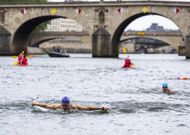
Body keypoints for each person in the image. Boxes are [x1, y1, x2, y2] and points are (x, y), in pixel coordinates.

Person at [32, 96, 110, 112]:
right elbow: (45, 106)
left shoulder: (74, 107)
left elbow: (88, 108)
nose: (64, 107)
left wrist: (100, 108)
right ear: (61, 104)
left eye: (66, 105)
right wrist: (36, 103)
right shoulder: (56, 107)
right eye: (63, 105)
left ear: (69, 104)